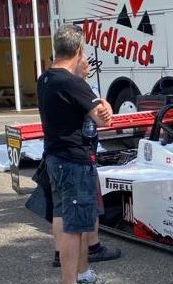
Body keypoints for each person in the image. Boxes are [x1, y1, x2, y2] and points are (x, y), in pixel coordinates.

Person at [38, 25, 114, 284]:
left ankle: (82, 276)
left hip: (56, 157)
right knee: (74, 227)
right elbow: (104, 119)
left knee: (75, 221)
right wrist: (100, 98)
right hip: (73, 160)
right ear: (79, 51)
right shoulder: (73, 83)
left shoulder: (47, 78)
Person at [51, 52, 121, 269]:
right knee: (85, 210)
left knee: (60, 210)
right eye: (86, 63)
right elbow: (103, 119)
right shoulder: (77, 86)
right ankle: (90, 251)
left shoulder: (51, 81)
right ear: (76, 62)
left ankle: (60, 253)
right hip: (78, 155)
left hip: (57, 154)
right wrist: (106, 107)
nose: (90, 68)